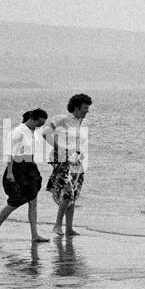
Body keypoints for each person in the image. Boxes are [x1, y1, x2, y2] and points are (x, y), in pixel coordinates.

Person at [0, 108, 50, 243]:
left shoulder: (32, 132)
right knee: (16, 201)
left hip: (30, 167)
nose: (40, 126)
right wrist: (10, 172)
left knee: (33, 202)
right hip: (17, 168)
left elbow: (31, 151)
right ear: (33, 118)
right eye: (39, 123)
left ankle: (35, 235)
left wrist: (33, 168)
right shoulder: (18, 131)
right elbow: (9, 153)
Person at [42, 93, 91, 236]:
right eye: (84, 108)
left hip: (76, 160)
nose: (87, 111)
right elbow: (45, 133)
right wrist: (59, 148)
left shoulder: (81, 122)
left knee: (74, 193)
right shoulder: (62, 119)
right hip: (63, 160)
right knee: (68, 192)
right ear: (76, 107)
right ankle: (57, 226)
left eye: (88, 108)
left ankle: (69, 228)